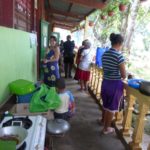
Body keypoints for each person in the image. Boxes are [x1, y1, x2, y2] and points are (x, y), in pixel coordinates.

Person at [100, 33, 126, 134]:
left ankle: (103, 121)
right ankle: (106, 128)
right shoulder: (119, 56)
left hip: (105, 83)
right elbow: (124, 75)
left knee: (105, 104)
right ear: (119, 43)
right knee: (111, 108)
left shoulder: (104, 54)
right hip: (114, 85)